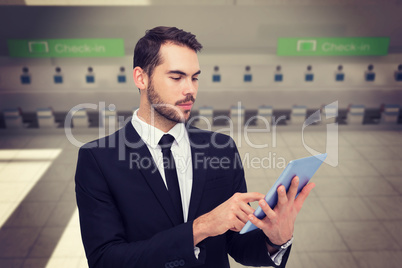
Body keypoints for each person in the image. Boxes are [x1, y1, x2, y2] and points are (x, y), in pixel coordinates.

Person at [75, 26, 315, 268]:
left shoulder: (221, 148)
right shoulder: (98, 160)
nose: (190, 89)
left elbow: (237, 244)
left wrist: (276, 239)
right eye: (177, 77)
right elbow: (105, 260)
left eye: (195, 77)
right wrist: (200, 228)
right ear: (141, 78)